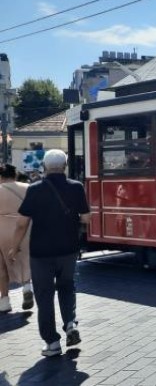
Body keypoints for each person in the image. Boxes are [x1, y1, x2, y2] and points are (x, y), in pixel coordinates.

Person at [7, 150, 91, 356]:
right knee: (67, 287)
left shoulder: (35, 189)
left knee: (44, 295)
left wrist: (15, 247)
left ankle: (52, 343)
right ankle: (70, 323)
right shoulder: (77, 187)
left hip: (41, 251)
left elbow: (21, 223)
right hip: (69, 249)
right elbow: (87, 218)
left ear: (44, 166)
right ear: (65, 165)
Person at [0, 164, 33, 313]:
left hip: (2, 230)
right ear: (15, 175)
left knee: (1, 266)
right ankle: (27, 287)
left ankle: (5, 300)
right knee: (25, 259)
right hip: (25, 227)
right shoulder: (28, 188)